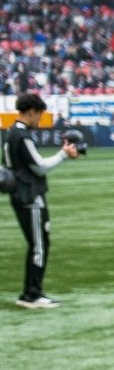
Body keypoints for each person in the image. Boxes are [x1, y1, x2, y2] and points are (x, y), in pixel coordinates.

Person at [3, 91, 80, 309]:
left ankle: (31, 292)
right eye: (39, 114)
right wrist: (64, 154)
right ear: (31, 112)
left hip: (20, 194)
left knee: (37, 244)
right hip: (30, 196)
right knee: (39, 245)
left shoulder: (10, 133)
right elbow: (39, 166)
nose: (39, 120)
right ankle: (32, 294)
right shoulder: (21, 134)